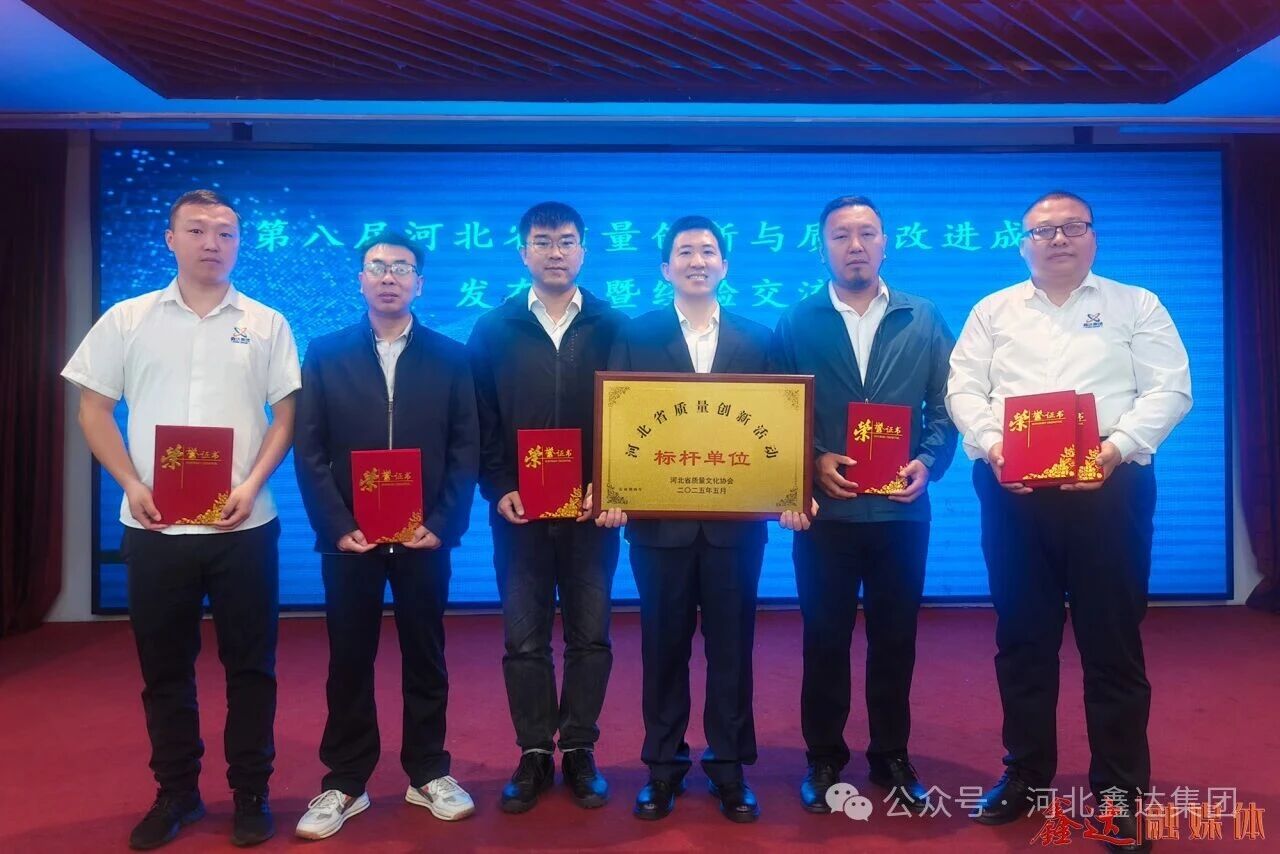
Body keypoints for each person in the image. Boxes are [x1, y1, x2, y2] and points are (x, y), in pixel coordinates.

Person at [947, 191, 1191, 852]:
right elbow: (962, 388)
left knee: (1112, 643)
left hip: (1109, 488)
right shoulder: (992, 310)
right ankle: (1026, 774)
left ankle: (1119, 794)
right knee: (1022, 638)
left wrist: (1114, 449)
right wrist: (994, 446)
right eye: (1043, 231)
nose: (1058, 239)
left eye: (1072, 227)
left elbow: (1171, 388)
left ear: (1093, 236)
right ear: (1022, 243)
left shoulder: (1136, 304)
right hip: (1013, 490)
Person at [61, 189, 300, 849]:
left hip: (243, 526)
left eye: (225, 232)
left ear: (240, 243)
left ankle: (251, 790)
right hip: (156, 527)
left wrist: (252, 483)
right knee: (165, 669)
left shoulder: (267, 322)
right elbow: (92, 409)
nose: (211, 243)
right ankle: (177, 792)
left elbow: (285, 417)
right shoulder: (127, 318)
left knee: (252, 666)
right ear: (170, 239)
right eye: (196, 230)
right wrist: (130, 483)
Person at [773, 194, 957, 815]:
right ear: (822, 246)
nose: (855, 245)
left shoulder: (922, 316)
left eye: (867, 233)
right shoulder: (797, 321)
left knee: (895, 639)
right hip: (828, 514)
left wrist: (928, 461)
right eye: (841, 235)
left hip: (901, 513)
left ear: (886, 242)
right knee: (824, 639)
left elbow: (947, 402)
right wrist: (813, 460)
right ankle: (823, 757)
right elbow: (777, 410)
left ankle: (891, 754)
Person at [292, 232, 479, 839]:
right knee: (349, 657)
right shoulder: (325, 352)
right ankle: (345, 781)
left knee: (427, 654)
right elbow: (309, 448)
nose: (389, 276)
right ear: (361, 280)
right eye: (377, 266)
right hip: (352, 538)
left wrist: (443, 524)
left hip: (423, 536)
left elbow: (466, 446)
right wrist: (337, 525)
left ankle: (428, 772)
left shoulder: (451, 357)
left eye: (401, 267)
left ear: (419, 282)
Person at [607, 216, 772, 823]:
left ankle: (730, 769)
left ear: (725, 265)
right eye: (684, 251)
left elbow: (778, 425)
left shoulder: (758, 339)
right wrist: (613, 488)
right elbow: (617, 419)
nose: (697, 260)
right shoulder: (635, 334)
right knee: (662, 647)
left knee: (733, 649)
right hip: (658, 527)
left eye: (707, 251)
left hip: (736, 526)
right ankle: (663, 768)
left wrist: (789, 492)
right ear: (665, 268)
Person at [467, 201, 628, 813]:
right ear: (523, 252)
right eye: (542, 241)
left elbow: (631, 416)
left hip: (591, 512)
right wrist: (498, 484)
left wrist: (608, 484)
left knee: (591, 637)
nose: (555, 252)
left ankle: (581, 748)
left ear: (583, 249)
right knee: (524, 639)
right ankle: (534, 751)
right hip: (521, 513)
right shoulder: (493, 328)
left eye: (566, 241)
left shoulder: (616, 326)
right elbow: (479, 418)